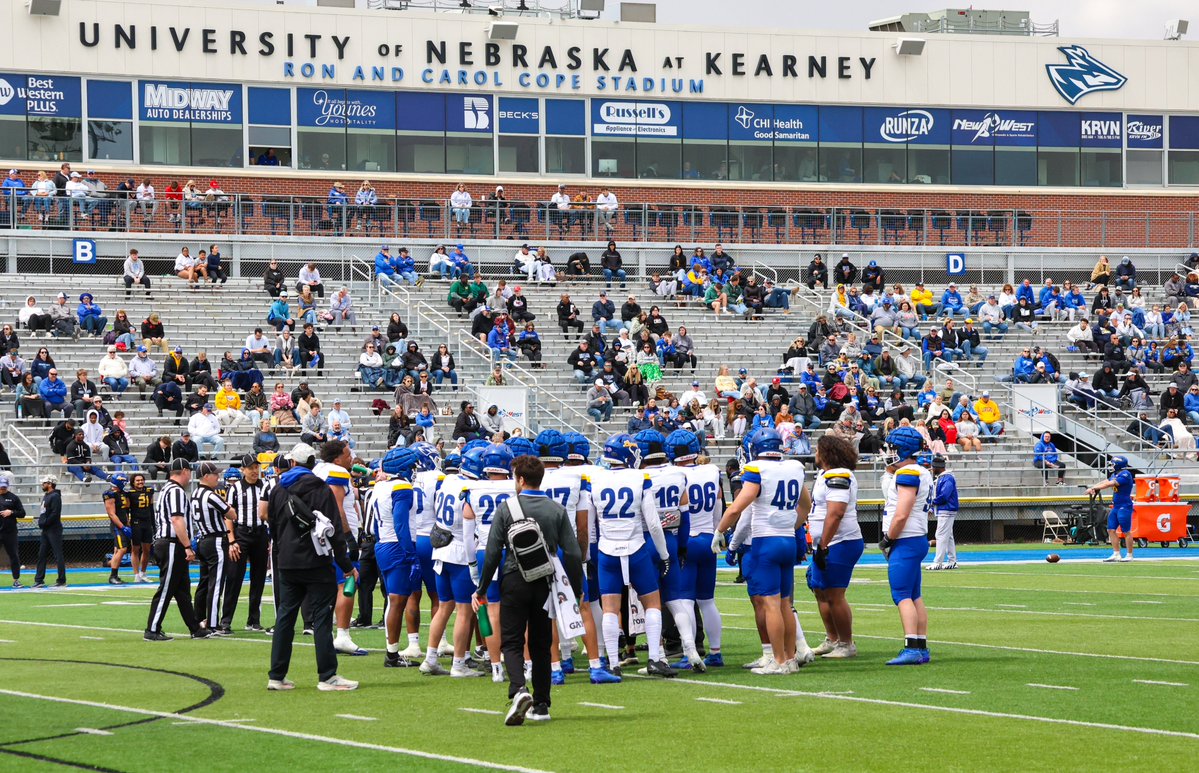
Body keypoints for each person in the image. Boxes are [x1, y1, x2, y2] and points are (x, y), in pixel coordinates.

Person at [474, 454, 583, 724]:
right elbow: (572, 552)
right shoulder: (556, 509)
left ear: (521, 479)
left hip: (513, 578)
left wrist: (482, 588)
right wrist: (577, 589)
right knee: (541, 642)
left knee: (512, 640)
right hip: (545, 581)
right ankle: (543, 704)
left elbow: (491, 553)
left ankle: (519, 689)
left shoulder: (507, 507)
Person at [716, 427, 814, 674]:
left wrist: (720, 531)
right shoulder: (793, 467)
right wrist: (792, 524)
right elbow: (806, 504)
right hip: (787, 540)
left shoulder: (757, 469)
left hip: (765, 542)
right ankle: (790, 658)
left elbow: (738, 508)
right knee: (784, 605)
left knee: (771, 604)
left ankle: (779, 661)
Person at [267, 443, 359, 691]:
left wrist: (281, 552)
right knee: (320, 618)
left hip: (286, 560)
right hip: (316, 560)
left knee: (286, 616)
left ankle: (276, 675)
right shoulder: (320, 488)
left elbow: (272, 526)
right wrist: (347, 565)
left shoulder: (278, 489)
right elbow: (334, 531)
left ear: (293, 463)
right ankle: (327, 675)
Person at [589, 434, 672, 677]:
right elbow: (654, 524)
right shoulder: (640, 478)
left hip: (607, 550)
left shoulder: (595, 479)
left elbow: (591, 524)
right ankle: (655, 659)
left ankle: (613, 662)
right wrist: (664, 553)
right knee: (653, 604)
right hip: (636, 548)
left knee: (610, 608)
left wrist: (589, 555)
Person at [806, 434, 864, 660]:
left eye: (818, 450)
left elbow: (836, 512)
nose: (816, 454)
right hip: (829, 542)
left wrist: (823, 545)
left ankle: (846, 643)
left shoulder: (838, 474)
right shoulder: (825, 474)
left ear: (827, 453)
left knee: (834, 594)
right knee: (820, 590)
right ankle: (832, 638)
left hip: (840, 541)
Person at [878, 426, 932, 666]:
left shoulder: (908, 473)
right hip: (916, 537)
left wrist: (888, 538)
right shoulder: (920, 471)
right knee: (914, 595)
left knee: (901, 595)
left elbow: (902, 513)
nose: (889, 452)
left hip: (906, 538)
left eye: (893, 447)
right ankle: (920, 645)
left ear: (903, 448)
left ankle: (912, 647)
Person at [144, 459, 206, 641]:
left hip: (170, 542)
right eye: (189, 472)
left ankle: (195, 628)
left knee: (181, 590)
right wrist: (187, 546)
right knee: (167, 588)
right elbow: (177, 520)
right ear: (185, 471)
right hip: (172, 543)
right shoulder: (176, 491)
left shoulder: (166, 489)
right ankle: (152, 629)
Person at [220, 455, 270, 632]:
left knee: (259, 579)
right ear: (243, 469)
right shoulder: (235, 488)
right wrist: (231, 540)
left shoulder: (265, 487)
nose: (255, 471)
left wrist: (270, 539)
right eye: (251, 468)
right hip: (241, 535)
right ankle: (225, 620)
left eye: (257, 467)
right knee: (234, 578)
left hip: (260, 534)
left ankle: (253, 620)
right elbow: (228, 515)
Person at [1087, 456, 1136, 563]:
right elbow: (1105, 481)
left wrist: (1095, 488)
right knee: (1111, 529)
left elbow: (1110, 484)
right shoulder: (1115, 474)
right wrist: (1092, 487)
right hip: (1116, 506)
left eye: (1112, 464)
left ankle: (1129, 554)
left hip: (1125, 506)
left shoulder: (1125, 474)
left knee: (1126, 531)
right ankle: (1116, 554)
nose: (1111, 466)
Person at [924, 455, 959, 571]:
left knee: (940, 535)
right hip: (945, 509)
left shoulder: (947, 478)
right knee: (948, 536)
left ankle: (937, 562)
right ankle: (952, 561)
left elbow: (944, 495)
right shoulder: (944, 477)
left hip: (946, 509)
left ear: (937, 467)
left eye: (933, 467)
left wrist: (932, 503)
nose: (932, 469)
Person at [32, 476, 66, 588]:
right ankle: (39, 580)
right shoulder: (47, 495)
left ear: (50, 484)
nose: (42, 485)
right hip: (46, 529)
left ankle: (61, 580)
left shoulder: (55, 496)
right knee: (41, 554)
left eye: (44, 483)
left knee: (58, 555)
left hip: (53, 529)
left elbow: (55, 513)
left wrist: (45, 522)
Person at [0, 474, 26, 588]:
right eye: (1, 487)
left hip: (10, 532)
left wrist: (11, 512)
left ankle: (16, 580)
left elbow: (22, 513)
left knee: (14, 556)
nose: (2, 489)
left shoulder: (13, 497)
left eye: (4, 487)